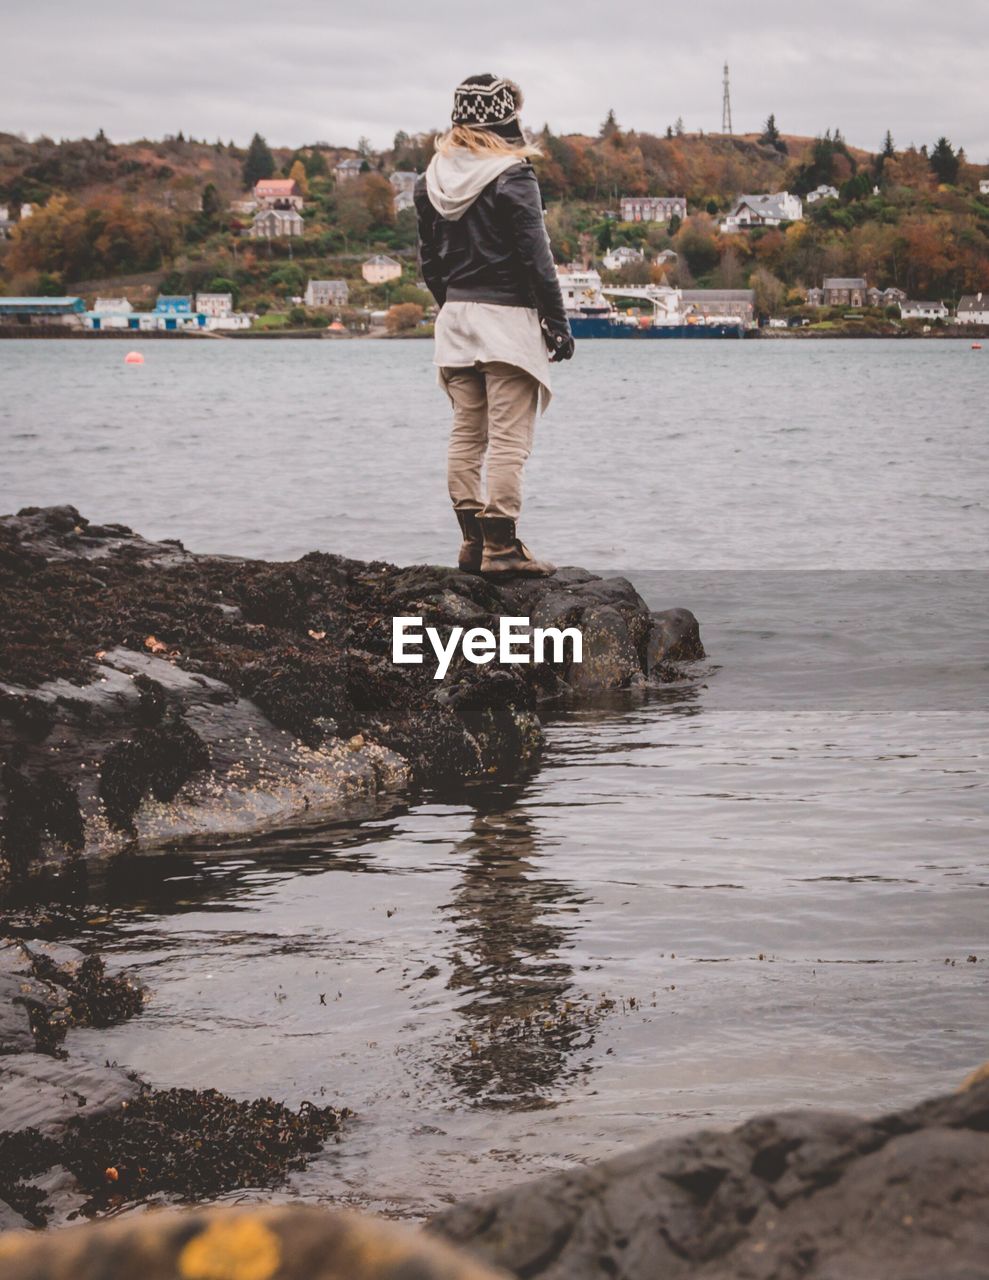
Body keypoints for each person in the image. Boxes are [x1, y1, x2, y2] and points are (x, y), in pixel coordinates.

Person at [415, 73, 574, 579]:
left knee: (467, 435)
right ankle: (501, 547)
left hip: (456, 321)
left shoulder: (430, 180)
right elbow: (536, 257)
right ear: (505, 121)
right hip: (506, 322)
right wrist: (557, 323)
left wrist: (453, 307)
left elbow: (429, 263)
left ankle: (470, 544)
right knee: (508, 440)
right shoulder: (513, 175)